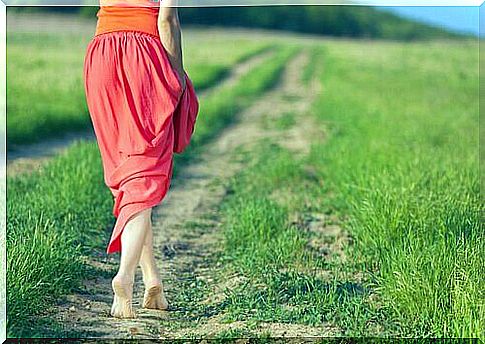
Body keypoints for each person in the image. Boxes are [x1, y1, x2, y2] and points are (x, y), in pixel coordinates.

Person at [83, 0, 199, 318]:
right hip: (143, 58)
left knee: (129, 177)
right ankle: (125, 277)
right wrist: (177, 77)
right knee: (144, 177)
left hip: (101, 55)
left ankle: (152, 281)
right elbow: (167, 21)